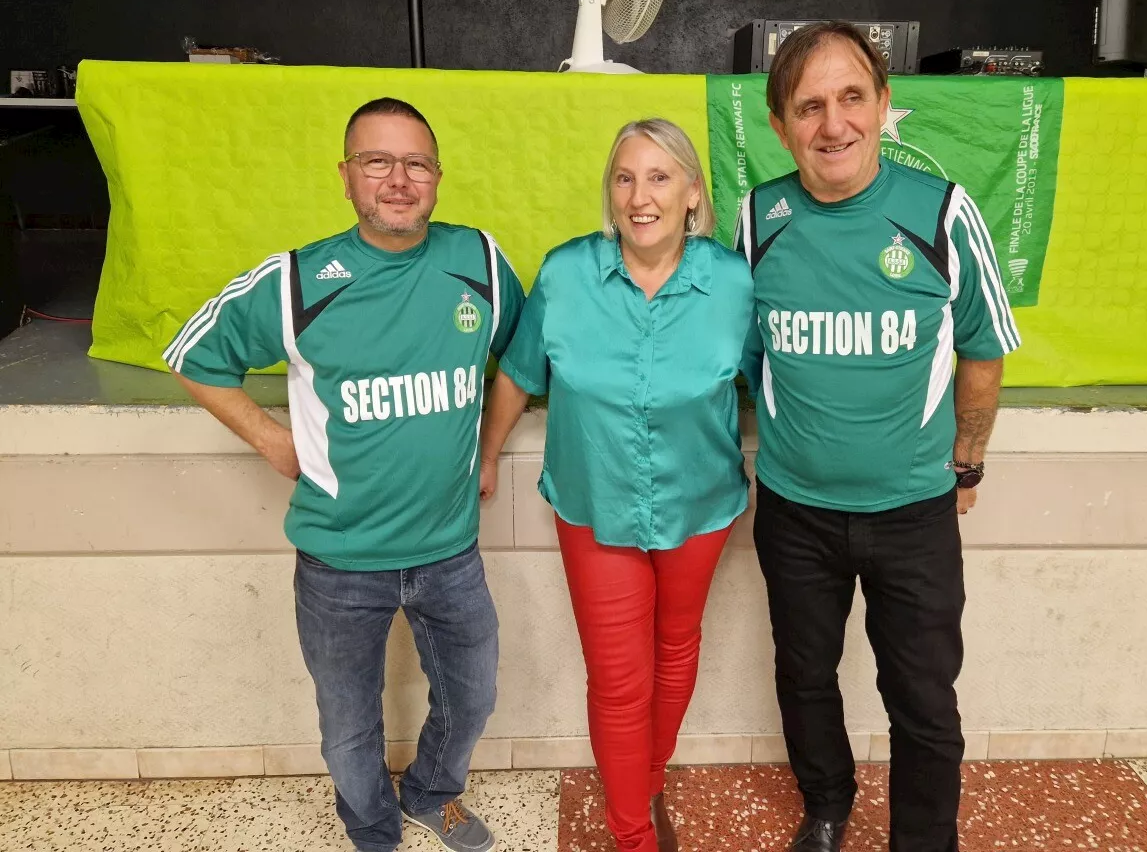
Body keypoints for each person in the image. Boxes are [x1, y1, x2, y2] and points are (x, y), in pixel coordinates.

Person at [165, 97, 525, 852]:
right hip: (339, 562)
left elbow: (521, 362)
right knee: (348, 723)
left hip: (449, 550)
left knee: (474, 694)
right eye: (377, 161)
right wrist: (270, 440)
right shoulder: (299, 281)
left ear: (437, 176)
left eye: (416, 163)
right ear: (346, 176)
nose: (399, 178)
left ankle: (432, 793)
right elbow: (194, 357)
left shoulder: (481, 263)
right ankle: (371, 830)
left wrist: (488, 453)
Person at [735, 21, 1021, 852]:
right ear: (780, 122)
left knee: (924, 698)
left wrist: (966, 465)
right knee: (803, 677)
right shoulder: (759, 219)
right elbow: (734, 354)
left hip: (914, 514)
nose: (834, 124)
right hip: (795, 511)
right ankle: (826, 806)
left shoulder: (942, 212)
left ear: (885, 104)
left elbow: (984, 348)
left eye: (852, 97)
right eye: (810, 105)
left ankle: (924, 840)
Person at [479, 118, 754, 852]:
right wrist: (485, 455)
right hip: (594, 504)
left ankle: (646, 779)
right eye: (625, 178)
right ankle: (632, 831)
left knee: (676, 648)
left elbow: (777, 384)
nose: (640, 196)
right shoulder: (567, 273)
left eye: (660, 177)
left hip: (701, 504)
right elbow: (517, 373)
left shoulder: (733, 283)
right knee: (619, 680)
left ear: (693, 193)